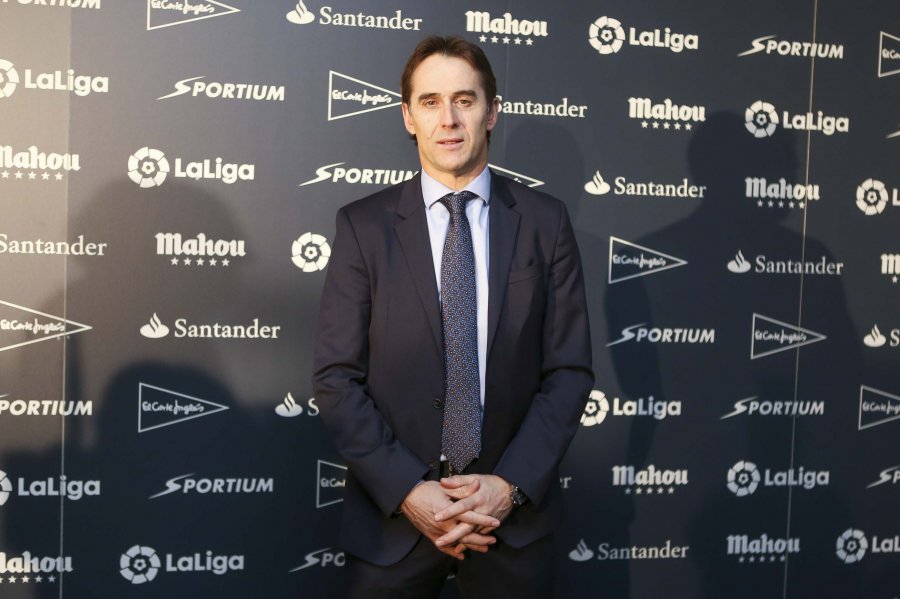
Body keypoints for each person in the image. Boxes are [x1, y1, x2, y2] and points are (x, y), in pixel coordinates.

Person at [312, 35, 593, 599]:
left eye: (464, 100)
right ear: (408, 117)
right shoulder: (362, 227)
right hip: (394, 525)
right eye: (430, 101)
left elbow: (568, 373)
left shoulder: (546, 222)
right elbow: (336, 378)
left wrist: (508, 488)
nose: (448, 119)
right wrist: (409, 491)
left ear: (492, 112)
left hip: (509, 525)